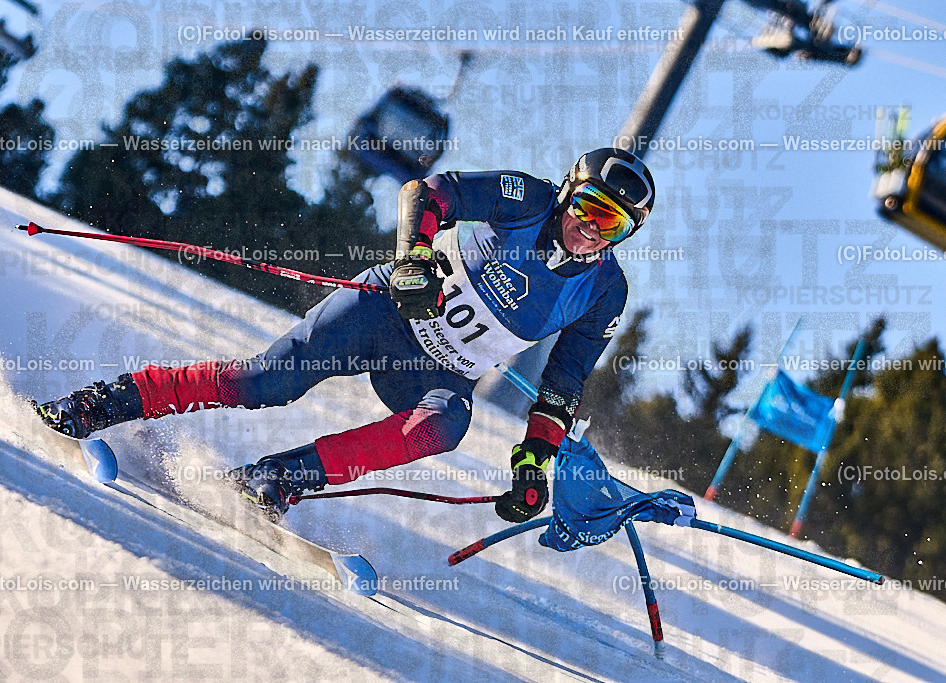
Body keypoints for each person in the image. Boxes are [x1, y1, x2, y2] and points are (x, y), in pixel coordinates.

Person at [35, 148, 655, 524]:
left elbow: (563, 382)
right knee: (267, 383)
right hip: (386, 310)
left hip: (434, 374)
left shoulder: (606, 291)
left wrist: (534, 460)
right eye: (590, 207)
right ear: (571, 190)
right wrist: (414, 259)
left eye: (614, 224)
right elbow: (431, 191)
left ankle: (277, 478)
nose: (593, 230)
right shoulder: (528, 199)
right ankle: (104, 403)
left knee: (445, 426)